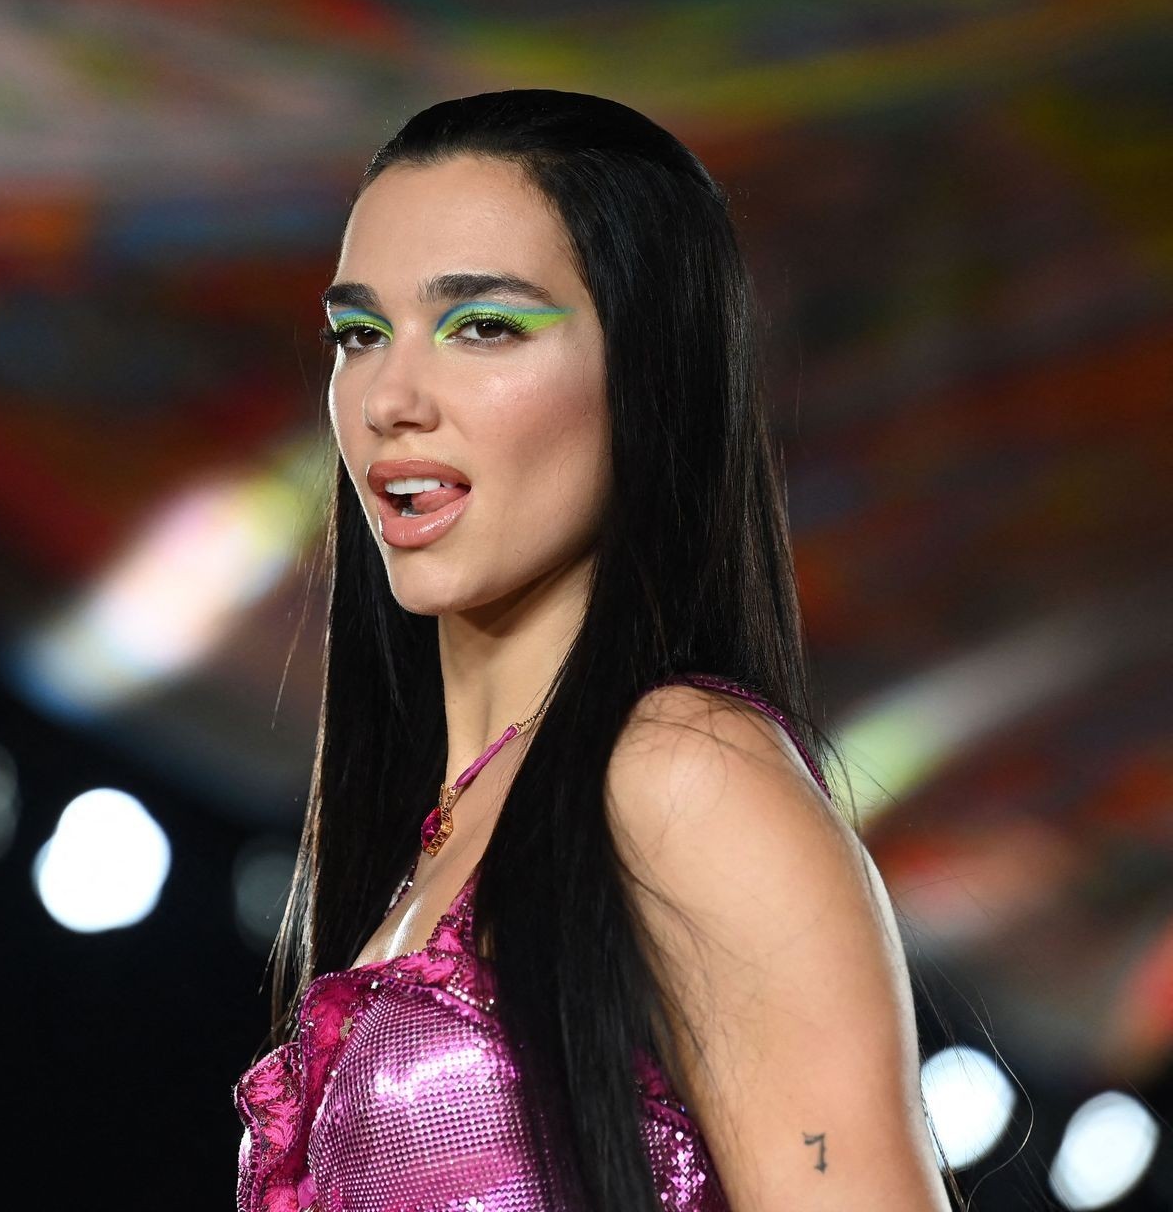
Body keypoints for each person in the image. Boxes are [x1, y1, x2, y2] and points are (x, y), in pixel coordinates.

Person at [233, 90, 957, 1211]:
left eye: (483, 326)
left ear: (648, 368)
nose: (389, 400)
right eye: (359, 335)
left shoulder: (686, 776)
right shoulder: (429, 843)